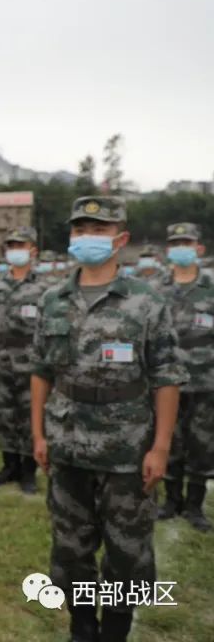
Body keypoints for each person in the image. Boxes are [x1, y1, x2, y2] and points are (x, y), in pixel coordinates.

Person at [32, 196, 183, 642]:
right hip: (67, 442)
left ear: (120, 239)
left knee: (126, 552)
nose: (86, 237)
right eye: (79, 229)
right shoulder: (53, 299)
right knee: (71, 547)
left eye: (97, 229)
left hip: (128, 449)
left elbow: (167, 377)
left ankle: (115, 631)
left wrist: (161, 446)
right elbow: (42, 371)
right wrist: (38, 433)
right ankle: (82, 629)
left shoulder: (147, 302)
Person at [155, 222, 214, 532]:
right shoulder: (156, 289)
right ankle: (171, 501)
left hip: (206, 384)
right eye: (176, 242)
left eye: (187, 241)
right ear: (169, 250)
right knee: (170, 443)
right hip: (168, 385)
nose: (181, 247)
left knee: (202, 447)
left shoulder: (211, 288)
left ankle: (194, 506)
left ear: (199, 248)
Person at [0, 226, 44, 493]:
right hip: (3, 359)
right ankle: (9, 466)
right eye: (11, 246)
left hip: (32, 362)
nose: (14, 251)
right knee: (5, 414)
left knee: (30, 415)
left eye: (20, 246)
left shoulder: (45, 287)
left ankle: (28, 471)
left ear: (33, 250)